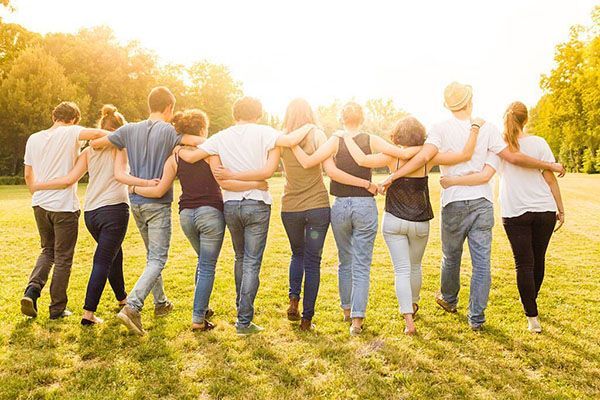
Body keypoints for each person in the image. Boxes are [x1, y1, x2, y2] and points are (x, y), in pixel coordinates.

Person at [380, 82, 566, 331]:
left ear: (448, 105)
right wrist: (550, 165)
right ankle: (476, 318)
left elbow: (423, 157)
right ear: (470, 101)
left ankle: (449, 299)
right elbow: (512, 157)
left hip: (454, 200)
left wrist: (392, 176)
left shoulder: (439, 129)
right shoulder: (486, 128)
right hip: (482, 202)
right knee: (482, 263)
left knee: (451, 256)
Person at [178, 96, 319, 336]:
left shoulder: (221, 136)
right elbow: (283, 151)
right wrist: (310, 124)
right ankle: (244, 321)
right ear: (259, 114)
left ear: (235, 115)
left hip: (231, 205)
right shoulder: (265, 132)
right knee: (252, 262)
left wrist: (177, 142)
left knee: (240, 258)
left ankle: (240, 312)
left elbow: (193, 158)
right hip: (257, 203)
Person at [342, 115, 483, 335]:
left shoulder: (391, 157)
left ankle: (409, 322)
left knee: (401, 270)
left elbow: (361, 160)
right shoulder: (429, 157)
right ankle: (414, 304)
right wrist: (474, 128)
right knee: (415, 267)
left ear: (397, 135)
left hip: (394, 221)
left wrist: (344, 136)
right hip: (420, 222)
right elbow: (464, 155)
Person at [132, 109, 268, 331]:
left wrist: (135, 187)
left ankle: (202, 310)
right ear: (202, 129)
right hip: (210, 214)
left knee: (202, 261)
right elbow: (225, 181)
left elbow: (159, 190)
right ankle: (197, 319)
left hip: (186, 216)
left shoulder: (175, 156)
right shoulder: (210, 153)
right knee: (206, 265)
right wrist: (257, 184)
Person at [291, 102, 417, 336]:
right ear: (362, 118)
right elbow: (400, 153)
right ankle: (356, 320)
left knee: (344, 261)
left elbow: (311, 163)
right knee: (361, 264)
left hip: (339, 206)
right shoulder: (370, 139)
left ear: (342, 118)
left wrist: (289, 142)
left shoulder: (335, 140)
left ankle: (347, 310)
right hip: (364, 206)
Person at [440, 101, 564, 333]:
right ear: (526, 119)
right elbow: (549, 178)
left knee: (524, 263)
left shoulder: (501, 145)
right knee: (538, 260)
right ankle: (530, 300)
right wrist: (560, 207)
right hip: (544, 209)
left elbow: (495, 166)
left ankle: (532, 317)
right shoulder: (538, 143)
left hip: (515, 211)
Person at [90, 87, 204, 335]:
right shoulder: (170, 131)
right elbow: (198, 141)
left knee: (151, 255)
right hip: (158, 203)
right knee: (158, 258)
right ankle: (133, 306)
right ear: (169, 108)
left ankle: (161, 302)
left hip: (136, 203)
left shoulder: (129, 130)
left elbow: (97, 143)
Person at [31, 105, 142, 325]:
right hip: (114, 209)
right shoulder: (120, 147)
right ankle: (88, 314)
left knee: (113, 254)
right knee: (103, 260)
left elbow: (68, 179)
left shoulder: (88, 151)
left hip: (92, 214)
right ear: (119, 130)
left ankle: (122, 298)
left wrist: (40, 184)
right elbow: (123, 172)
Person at [21, 101, 109, 319]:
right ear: (74, 119)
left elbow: (27, 175)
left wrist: (37, 191)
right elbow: (101, 133)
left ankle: (32, 291)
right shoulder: (73, 132)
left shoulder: (34, 138)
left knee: (47, 250)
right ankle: (57, 308)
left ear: (54, 117)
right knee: (62, 258)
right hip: (63, 207)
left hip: (40, 204)